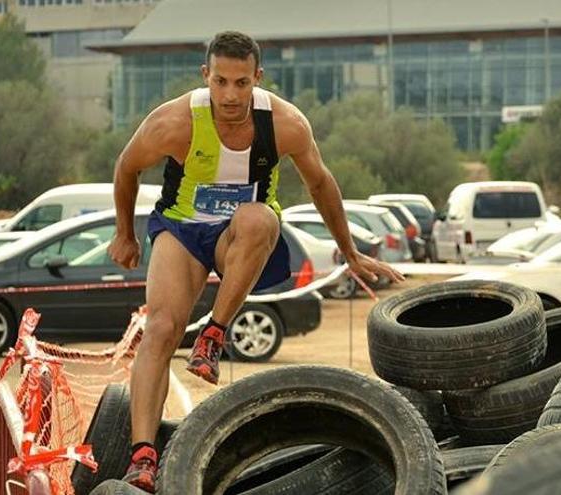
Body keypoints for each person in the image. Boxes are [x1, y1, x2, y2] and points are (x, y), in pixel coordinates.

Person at [106, 31, 404, 492]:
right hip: (182, 229)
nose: (229, 95)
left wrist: (349, 251)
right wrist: (125, 233)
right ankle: (143, 456)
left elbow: (321, 184)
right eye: (220, 82)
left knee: (259, 218)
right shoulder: (174, 122)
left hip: (239, 237)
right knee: (161, 329)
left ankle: (214, 333)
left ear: (257, 79)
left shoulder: (285, 124)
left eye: (241, 83)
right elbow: (127, 167)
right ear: (205, 76)